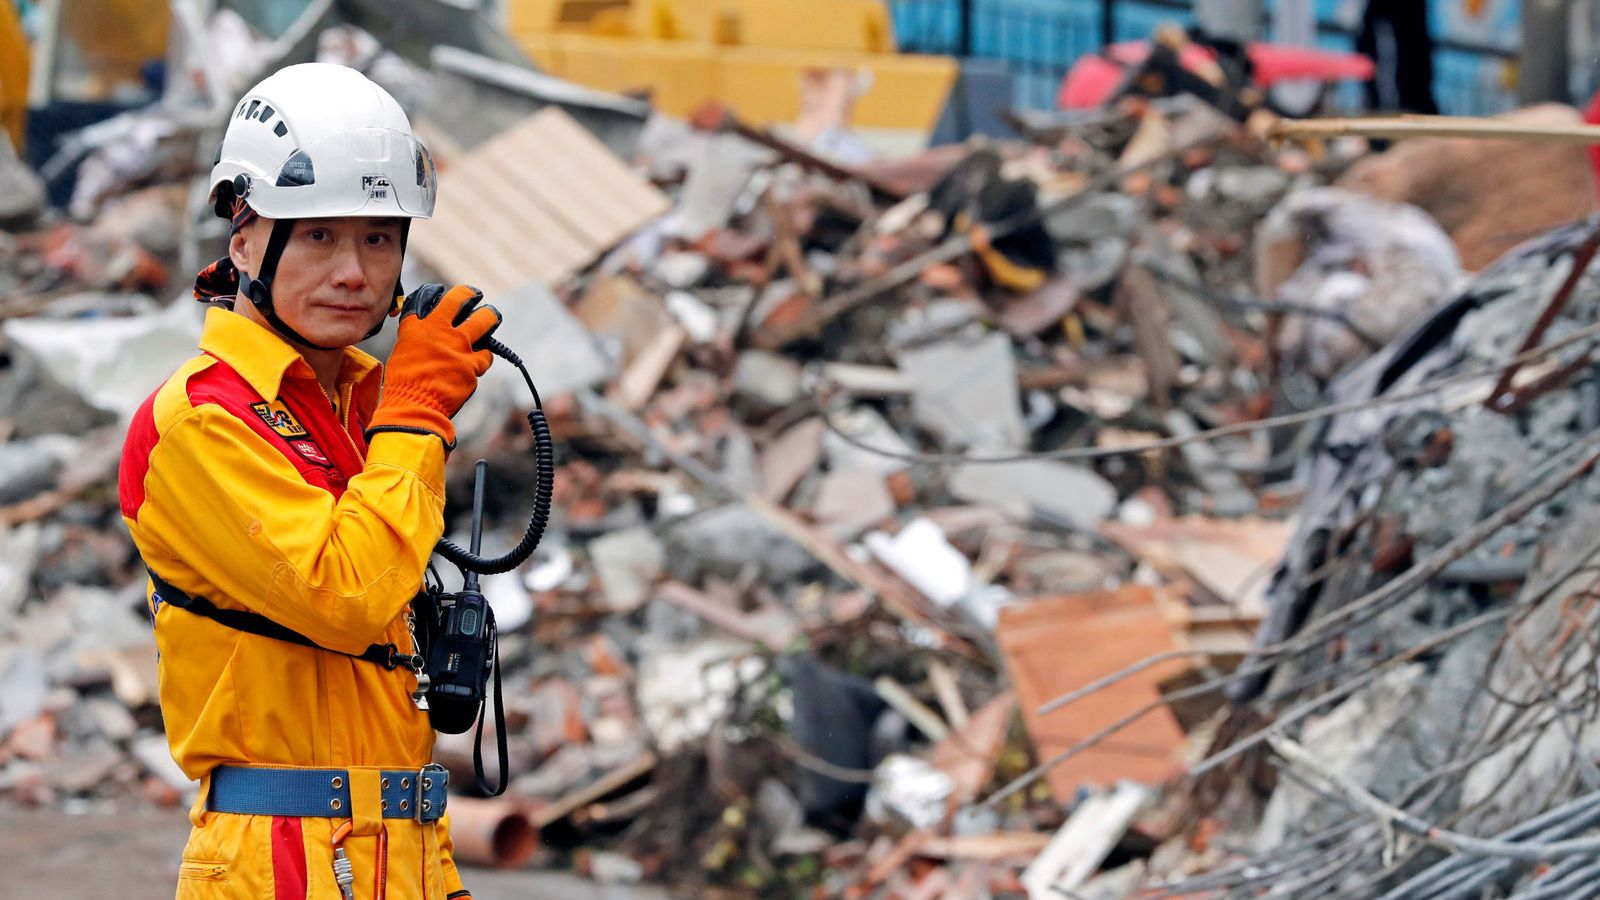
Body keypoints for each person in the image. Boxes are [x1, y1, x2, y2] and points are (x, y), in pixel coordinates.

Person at [119, 62, 500, 899]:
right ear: (245, 235)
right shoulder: (200, 422)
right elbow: (348, 593)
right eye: (319, 234)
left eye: (377, 238)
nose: (353, 273)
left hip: (407, 850)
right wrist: (418, 411)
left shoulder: (364, 406)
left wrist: (400, 412)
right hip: (279, 858)